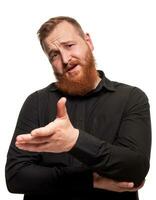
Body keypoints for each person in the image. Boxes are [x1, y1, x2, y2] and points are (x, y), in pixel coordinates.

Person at [5, 16, 151, 200]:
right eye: (54, 55)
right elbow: (16, 177)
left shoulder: (131, 97)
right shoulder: (36, 102)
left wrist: (75, 140)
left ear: (88, 41)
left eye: (69, 45)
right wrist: (92, 180)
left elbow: (135, 170)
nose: (65, 59)